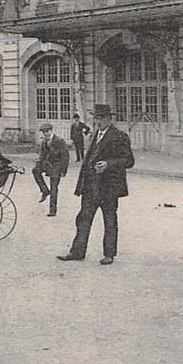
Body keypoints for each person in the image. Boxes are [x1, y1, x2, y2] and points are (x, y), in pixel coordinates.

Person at [56, 104, 134, 265]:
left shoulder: (120, 136)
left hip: (108, 187)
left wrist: (108, 164)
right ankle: (77, 252)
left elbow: (129, 160)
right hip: (91, 186)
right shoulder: (94, 135)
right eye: (96, 118)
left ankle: (109, 254)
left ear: (109, 119)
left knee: (110, 220)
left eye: (100, 118)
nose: (97, 122)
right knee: (83, 218)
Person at [33, 122, 70, 217]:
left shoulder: (59, 141)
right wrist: (39, 161)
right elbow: (42, 155)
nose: (46, 134)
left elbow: (65, 156)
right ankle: (45, 190)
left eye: (47, 131)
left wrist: (63, 171)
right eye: (44, 132)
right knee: (35, 170)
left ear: (52, 130)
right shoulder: (44, 142)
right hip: (48, 165)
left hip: (57, 166)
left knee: (54, 187)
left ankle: (52, 210)